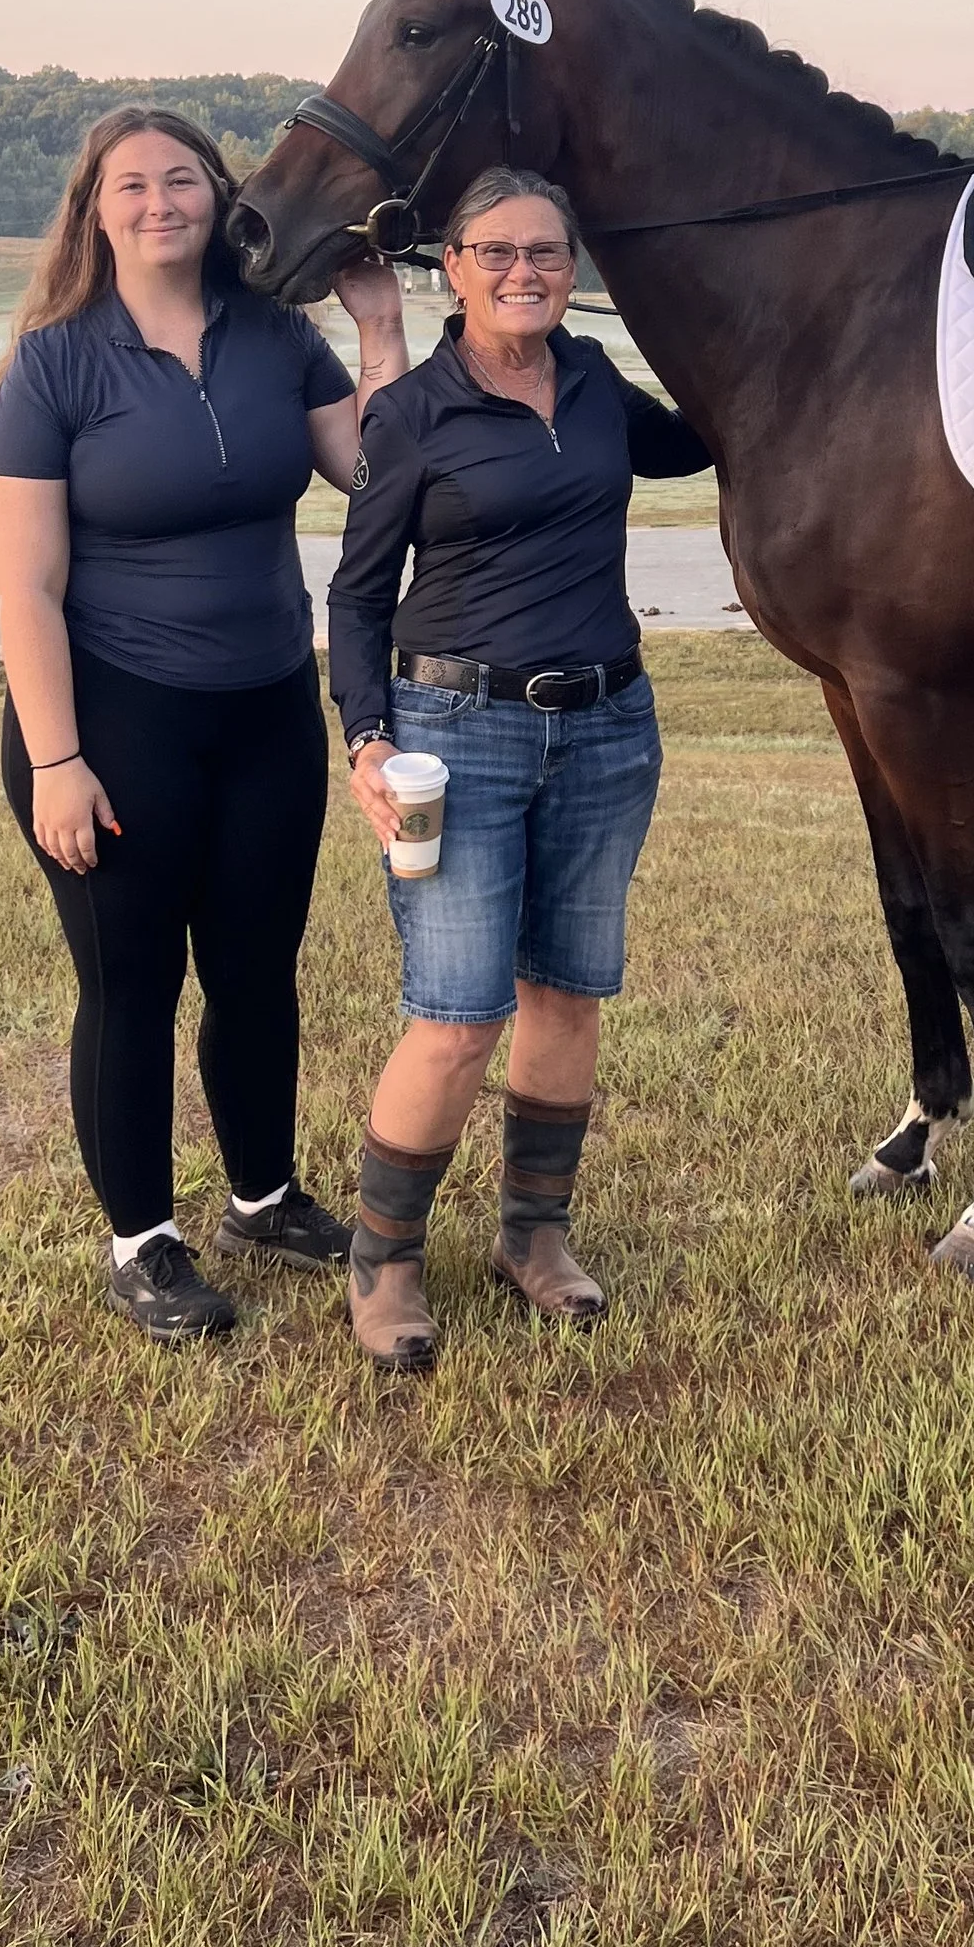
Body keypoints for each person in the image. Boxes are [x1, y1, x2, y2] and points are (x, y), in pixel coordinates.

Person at [0, 104, 408, 1342]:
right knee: (131, 989)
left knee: (256, 973)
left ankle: (262, 1198)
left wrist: (379, 327)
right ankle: (142, 1242)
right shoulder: (56, 361)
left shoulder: (277, 338)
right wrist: (57, 761)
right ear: (93, 211)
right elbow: (28, 587)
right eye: (132, 184)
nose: (161, 200)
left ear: (221, 202)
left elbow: (373, 470)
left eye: (184, 180)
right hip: (113, 718)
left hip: (268, 703)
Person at [324, 166, 710, 1375]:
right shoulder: (413, 413)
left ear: (573, 268)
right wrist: (366, 737)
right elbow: (354, 593)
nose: (523, 272)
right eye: (495, 253)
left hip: (606, 727)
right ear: (454, 266)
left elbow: (702, 434)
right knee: (455, 1015)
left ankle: (533, 1236)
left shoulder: (595, 381)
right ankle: (384, 1260)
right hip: (456, 735)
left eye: (546, 253)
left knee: (568, 993)